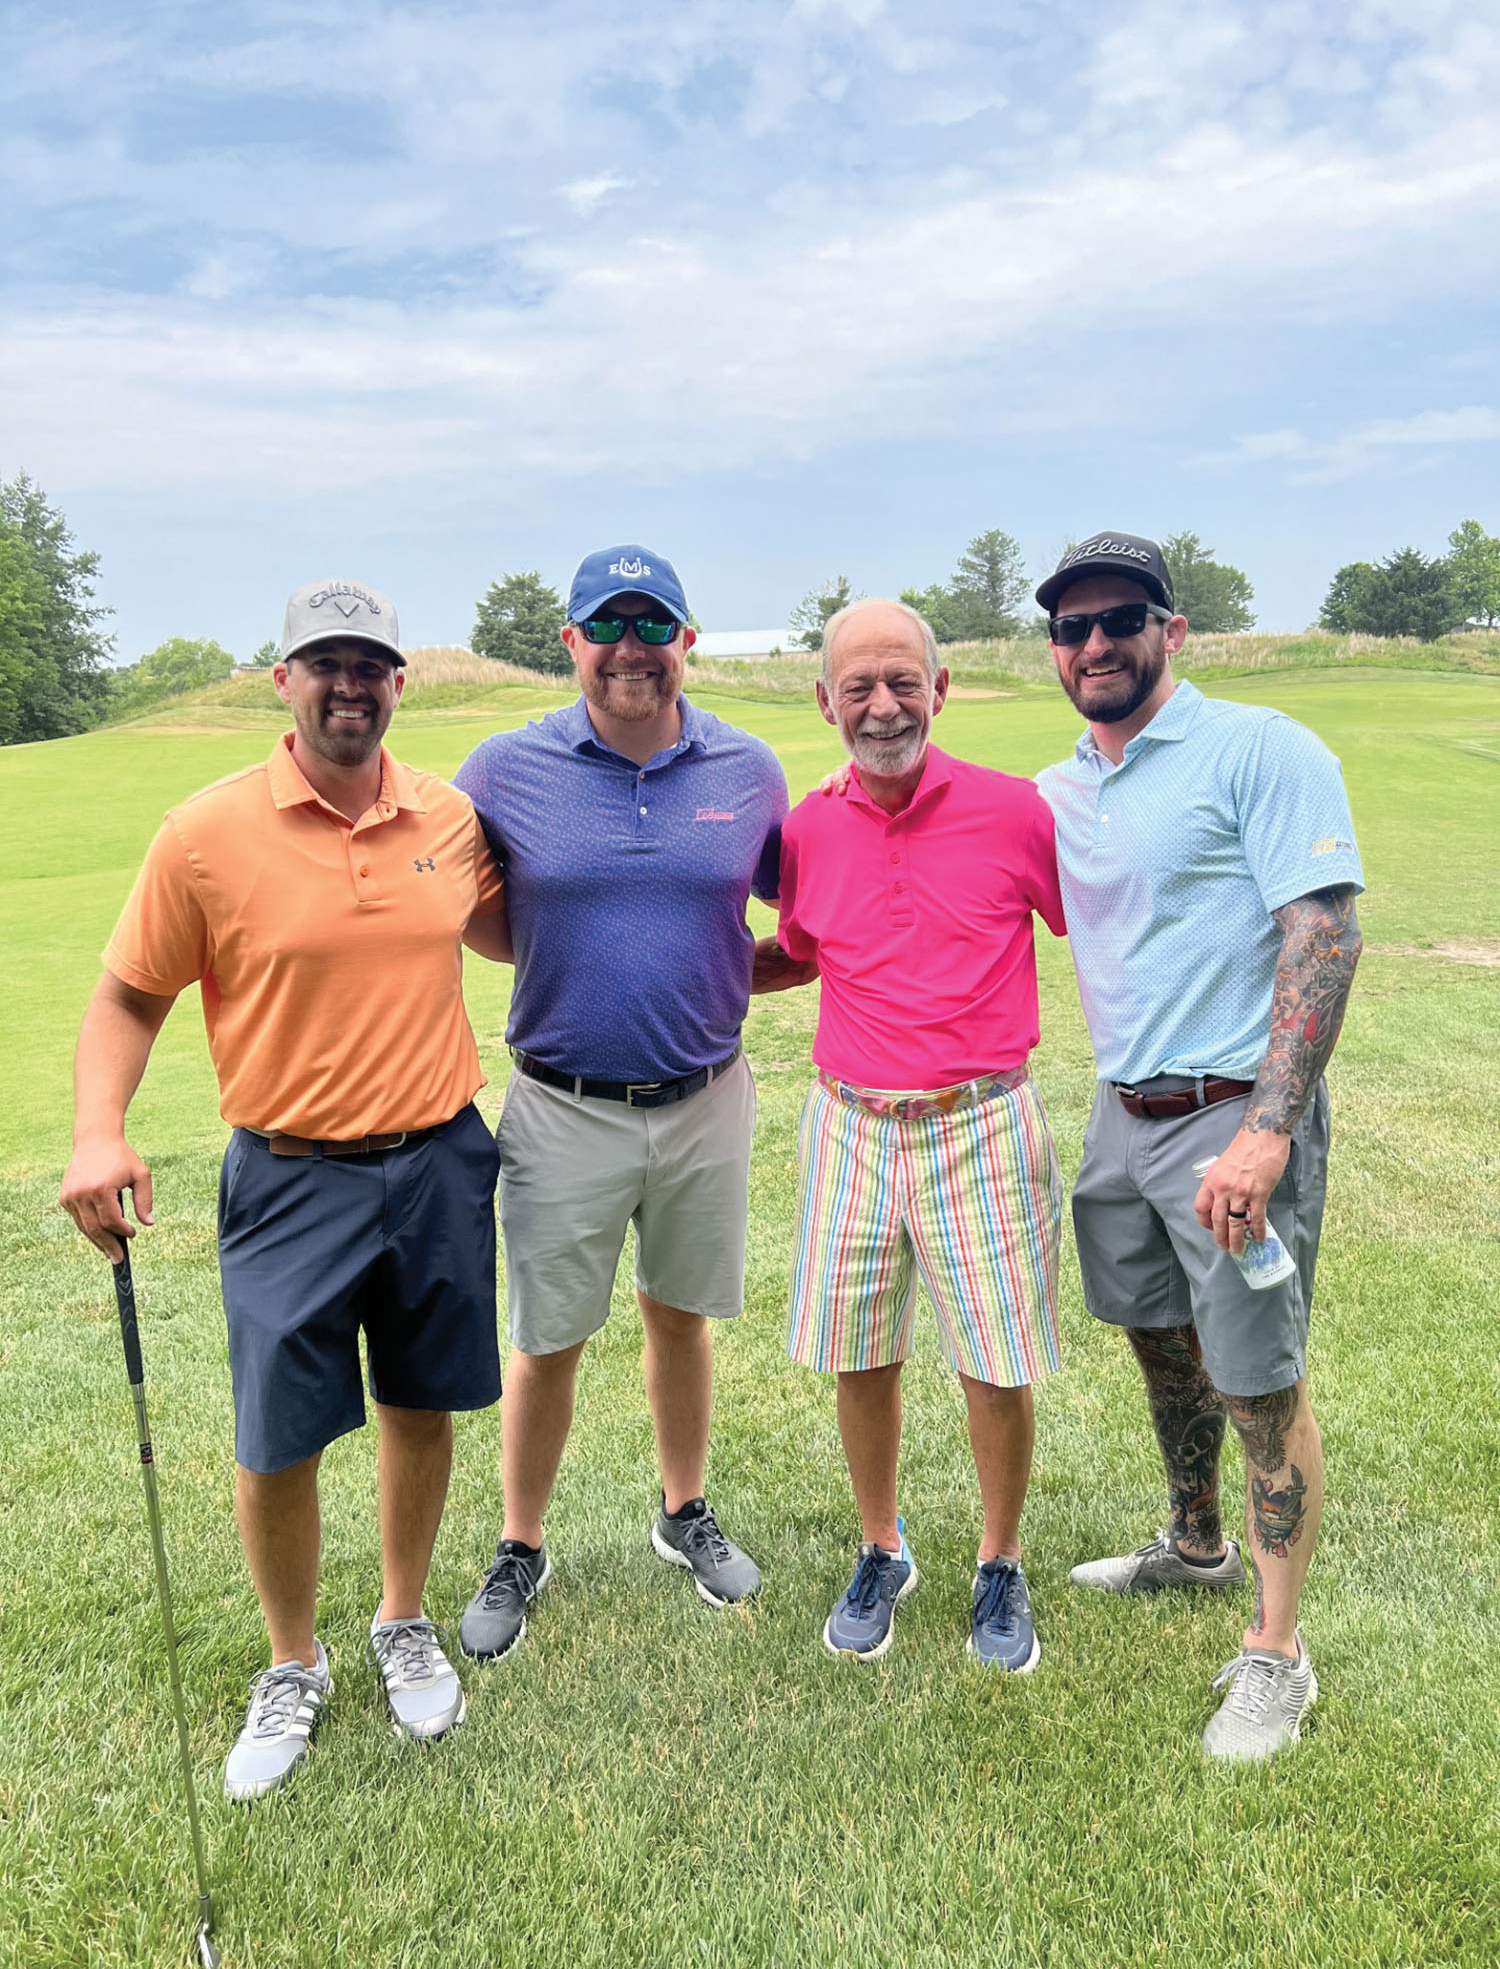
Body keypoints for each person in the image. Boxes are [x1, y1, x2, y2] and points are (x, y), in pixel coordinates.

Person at [61, 578, 510, 1799]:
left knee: (422, 1400)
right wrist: (98, 1132)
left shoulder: (449, 815)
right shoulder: (203, 833)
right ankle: (292, 1658)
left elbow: (520, 927)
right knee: (278, 1435)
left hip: (438, 1156)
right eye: (325, 663)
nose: (348, 684)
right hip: (287, 1170)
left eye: (369, 664)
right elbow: (128, 997)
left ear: (399, 681)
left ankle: (402, 1616)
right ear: (285, 681)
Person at [1033, 532, 1364, 1761]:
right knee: (1159, 1340)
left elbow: (1324, 934)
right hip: (1122, 1115)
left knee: (1257, 1378)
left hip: (1233, 1114)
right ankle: (1195, 1543)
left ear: (1172, 630)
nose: (1095, 643)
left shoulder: (1260, 747)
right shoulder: (1063, 787)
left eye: (1121, 618)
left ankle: (1277, 1651)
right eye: (1071, 626)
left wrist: (1269, 1132)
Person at [451, 543, 788, 1659]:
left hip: (705, 1095)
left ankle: (684, 1509)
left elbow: (802, 905)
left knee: (680, 1313)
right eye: (608, 625)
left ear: (687, 640)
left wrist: (728, 974)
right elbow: (457, 905)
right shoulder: (504, 768)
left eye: (653, 626)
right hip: (562, 1102)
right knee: (548, 1335)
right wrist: (560, 954)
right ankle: (521, 1542)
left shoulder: (747, 768)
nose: (630, 649)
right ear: (572, 641)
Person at [770, 598, 1066, 1667]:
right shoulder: (805, 828)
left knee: (995, 1359)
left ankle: (1000, 1560)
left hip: (980, 1121)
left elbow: (1104, 925)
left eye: (904, 682)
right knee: (860, 1352)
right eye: (860, 687)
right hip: (850, 1123)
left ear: (940, 689)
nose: (884, 706)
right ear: (827, 703)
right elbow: (801, 947)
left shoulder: (1017, 811)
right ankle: (881, 1546)